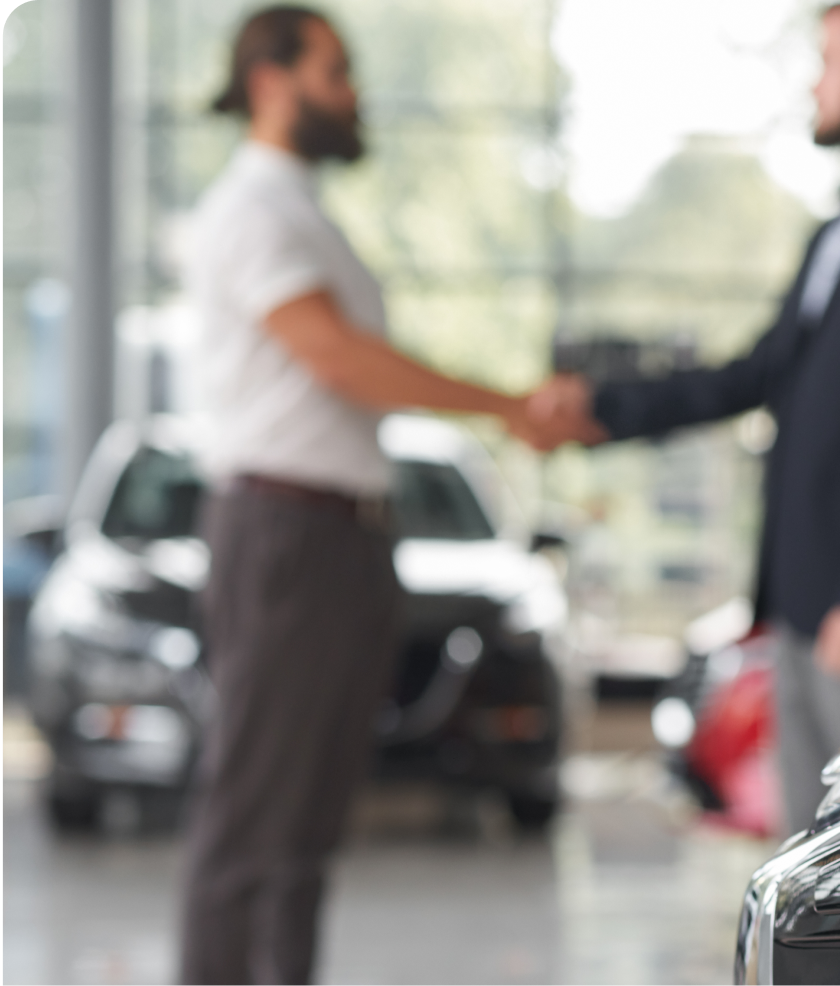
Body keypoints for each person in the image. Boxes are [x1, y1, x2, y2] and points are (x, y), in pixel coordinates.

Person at [536, 0, 840, 834]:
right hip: (801, 597)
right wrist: (601, 409)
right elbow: (757, 373)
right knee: (811, 848)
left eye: (829, 62)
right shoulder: (837, 234)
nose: (814, 84)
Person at [177, 8, 567, 984]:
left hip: (339, 539)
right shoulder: (253, 209)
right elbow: (339, 359)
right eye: (336, 71)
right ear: (272, 79)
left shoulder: (301, 211)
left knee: (304, 827)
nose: (353, 93)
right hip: (286, 535)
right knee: (251, 818)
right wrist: (507, 404)